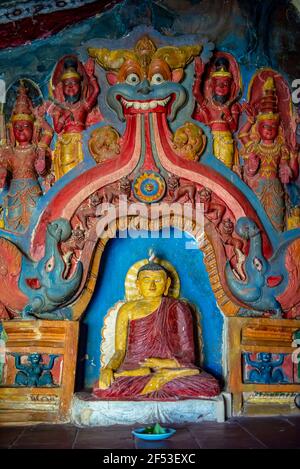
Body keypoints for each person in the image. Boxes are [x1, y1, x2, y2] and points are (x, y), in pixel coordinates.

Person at [93, 260, 220, 400]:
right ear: (137, 284)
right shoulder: (127, 310)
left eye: (158, 280)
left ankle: (164, 377)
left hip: (171, 367)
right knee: (101, 387)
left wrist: (163, 363)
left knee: (210, 384)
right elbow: (119, 351)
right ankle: (161, 380)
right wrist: (108, 369)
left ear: (167, 284)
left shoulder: (178, 307)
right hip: (136, 369)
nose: (152, 285)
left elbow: (188, 353)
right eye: (147, 280)